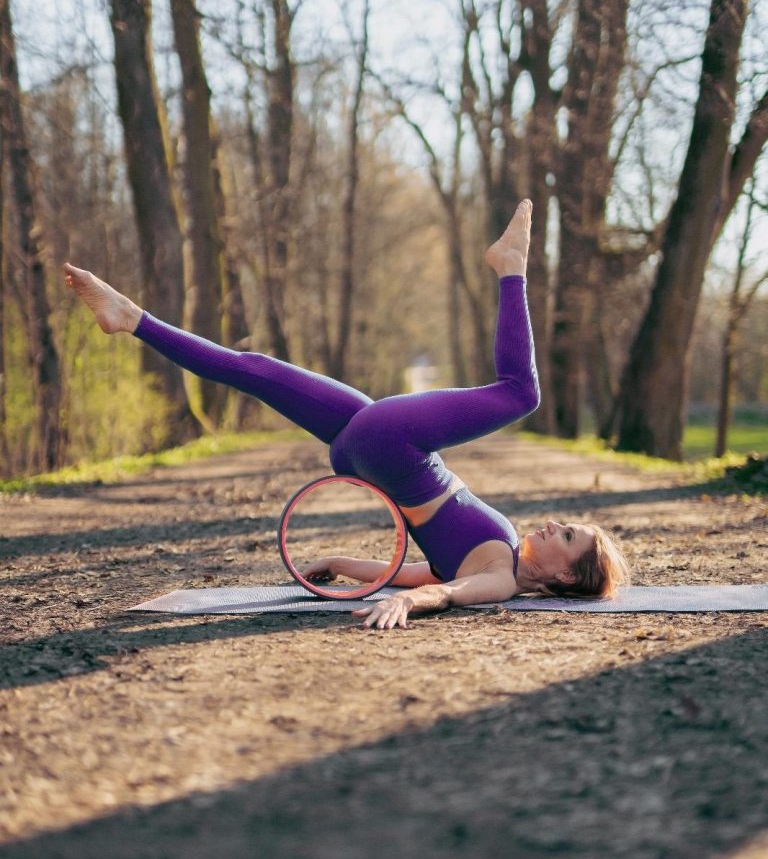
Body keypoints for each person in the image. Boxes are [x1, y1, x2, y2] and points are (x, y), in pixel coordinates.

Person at [64, 200, 630, 630]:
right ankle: (131, 317)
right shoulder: (494, 562)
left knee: (520, 393)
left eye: (568, 536)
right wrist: (340, 562)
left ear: (562, 576)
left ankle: (512, 268)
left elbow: (439, 593)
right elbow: (412, 574)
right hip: (364, 449)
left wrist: (408, 602)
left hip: (395, 445)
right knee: (252, 367)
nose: (557, 523)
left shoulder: (499, 579)